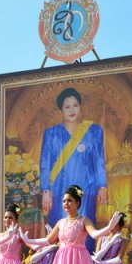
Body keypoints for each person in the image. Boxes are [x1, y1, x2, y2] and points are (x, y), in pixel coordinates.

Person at [39, 87, 108, 250]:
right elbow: (45, 163)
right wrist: (45, 190)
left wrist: (102, 186)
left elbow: (99, 160)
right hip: (59, 189)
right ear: (61, 111)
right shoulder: (51, 133)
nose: (72, 110)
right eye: (67, 106)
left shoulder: (94, 130)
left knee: (84, 227)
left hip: (86, 188)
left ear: (80, 107)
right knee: (59, 230)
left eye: (75, 105)